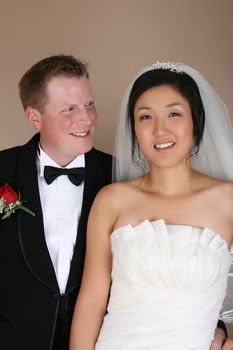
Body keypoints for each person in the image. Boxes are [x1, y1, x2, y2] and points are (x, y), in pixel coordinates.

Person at [69, 61, 233, 349]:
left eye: (174, 113)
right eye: (146, 117)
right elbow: (91, 303)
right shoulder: (111, 200)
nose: (160, 130)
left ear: (196, 120)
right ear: (134, 128)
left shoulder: (227, 200)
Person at [0, 54, 112, 350]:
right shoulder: (1, 169)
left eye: (89, 104)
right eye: (69, 109)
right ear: (34, 117)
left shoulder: (121, 175)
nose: (86, 118)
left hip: (102, 340)